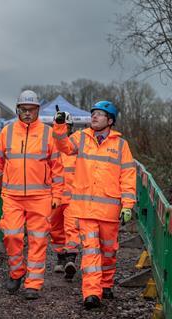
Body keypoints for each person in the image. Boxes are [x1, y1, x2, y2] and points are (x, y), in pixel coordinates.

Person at [53, 101, 136, 309]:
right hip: (86, 210)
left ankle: (106, 284)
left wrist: (128, 205)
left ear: (110, 121)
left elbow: (128, 176)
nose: (94, 117)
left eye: (100, 114)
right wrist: (60, 126)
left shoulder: (121, 145)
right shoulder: (81, 138)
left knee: (108, 252)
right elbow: (63, 146)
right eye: (93, 114)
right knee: (90, 251)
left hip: (109, 211)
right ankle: (91, 293)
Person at [0, 90, 64, 300]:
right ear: (18, 110)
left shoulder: (48, 134)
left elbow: (57, 167)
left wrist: (57, 194)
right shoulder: (7, 132)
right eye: (23, 110)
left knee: (38, 240)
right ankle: (17, 272)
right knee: (11, 235)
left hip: (40, 197)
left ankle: (34, 283)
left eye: (31, 110)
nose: (27, 113)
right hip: (12, 196)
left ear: (38, 110)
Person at [48, 111, 81, 279]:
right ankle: (60, 259)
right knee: (55, 229)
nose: (64, 129)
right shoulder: (49, 145)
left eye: (67, 126)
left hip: (73, 197)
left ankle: (71, 259)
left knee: (72, 228)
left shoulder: (75, 146)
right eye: (61, 125)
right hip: (54, 196)